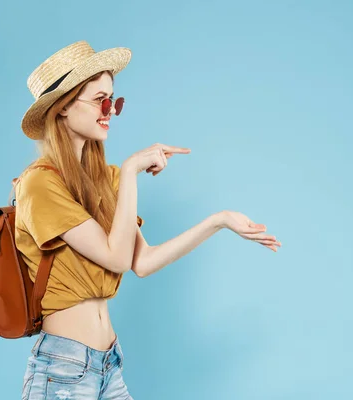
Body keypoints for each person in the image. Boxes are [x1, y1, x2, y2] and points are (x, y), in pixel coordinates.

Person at [16, 40, 282, 399]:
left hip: (109, 363)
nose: (110, 110)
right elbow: (116, 258)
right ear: (62, 107)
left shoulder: (103, 180)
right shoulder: (40, 184)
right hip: (62, 367)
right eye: (100, 100)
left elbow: (141, 261)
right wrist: (130, 172)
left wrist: (218, 221)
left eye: (115, 100)